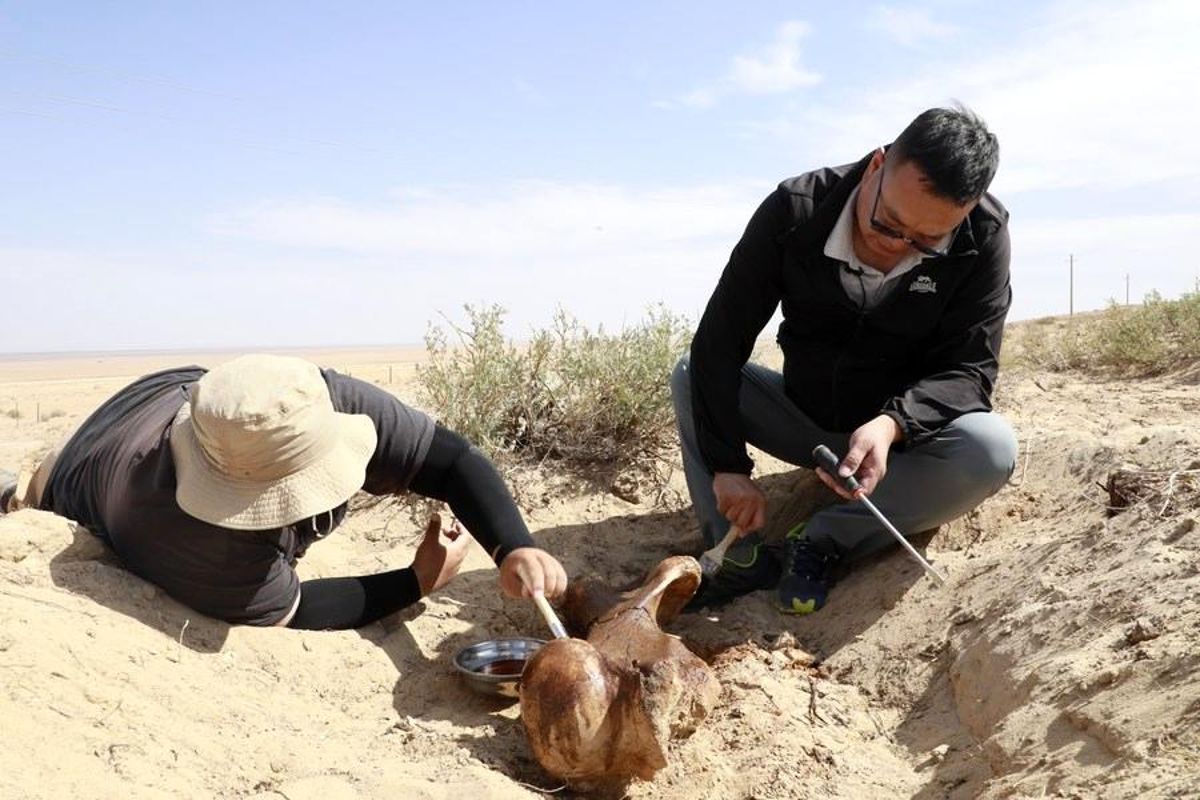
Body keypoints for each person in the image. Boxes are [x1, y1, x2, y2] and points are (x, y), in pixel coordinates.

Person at [672, 105, 1018, 614]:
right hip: (804, 420)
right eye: (889, 223)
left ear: (963, 216)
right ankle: (736, 554)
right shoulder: (795, 209)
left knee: (990, 449)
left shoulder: (984, 236)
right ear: (877, 166)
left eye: (927, 242)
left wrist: (892, 424)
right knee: (689, 373)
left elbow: (971, 372)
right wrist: (726, 464)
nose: (896, 249)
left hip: (897, 446)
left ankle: (820, 538)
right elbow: (720, 342)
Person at [0, 353, 567, 628]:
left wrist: (512, 545)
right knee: (30, 493)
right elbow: (293, 608)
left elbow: (451, 461)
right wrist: (417, 580)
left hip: (173, 391)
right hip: (84, 466)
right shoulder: (183, 531)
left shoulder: (300, 401)